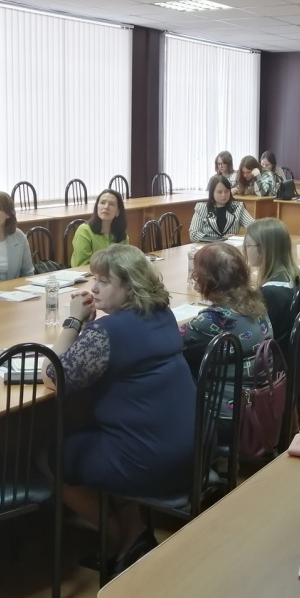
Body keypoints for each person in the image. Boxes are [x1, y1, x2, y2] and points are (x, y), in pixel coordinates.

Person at [43, 244, 195, 573]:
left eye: (104, 281)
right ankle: (136, 535)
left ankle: (115, 538)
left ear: (130, 287)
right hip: (188, 449)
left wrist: (73, 321)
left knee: (53, 457)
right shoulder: (162, 314)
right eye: (94, 279)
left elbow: (53, 375)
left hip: (148, 460)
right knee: (101, 438)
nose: (94, 288)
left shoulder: (107, 332)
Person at [181, 242, 272, 382]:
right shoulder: (256, 302)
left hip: (229, 393)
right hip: (264, 387)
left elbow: (171, 341)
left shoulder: (212, 319)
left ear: (206, 279)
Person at [244, 218, 300, 350]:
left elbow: (260, 335)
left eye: (248, 245)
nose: (245, 250)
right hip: (293, 351)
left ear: (264, 249)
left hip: (276, 356)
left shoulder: (270, 292)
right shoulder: (294, 275)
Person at [70, 189, 129, 268]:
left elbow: (125, 263)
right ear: (97, 207)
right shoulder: (84, 231)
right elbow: (82, 265)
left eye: (111, 204)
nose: (106, 207)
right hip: (87, 274)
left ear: (118, 212)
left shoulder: (122, 235)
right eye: (102, 203)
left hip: (114, 275)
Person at [189, 175, 254, 242]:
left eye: (226, 191)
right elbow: (194, 234)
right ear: (212, 193)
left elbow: (253, 227)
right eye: (219, 192)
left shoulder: (238, 207)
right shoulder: (202, 208)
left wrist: (239, 237)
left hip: (231, 246)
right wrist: (219, 239)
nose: (224, 195)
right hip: (209, 246)